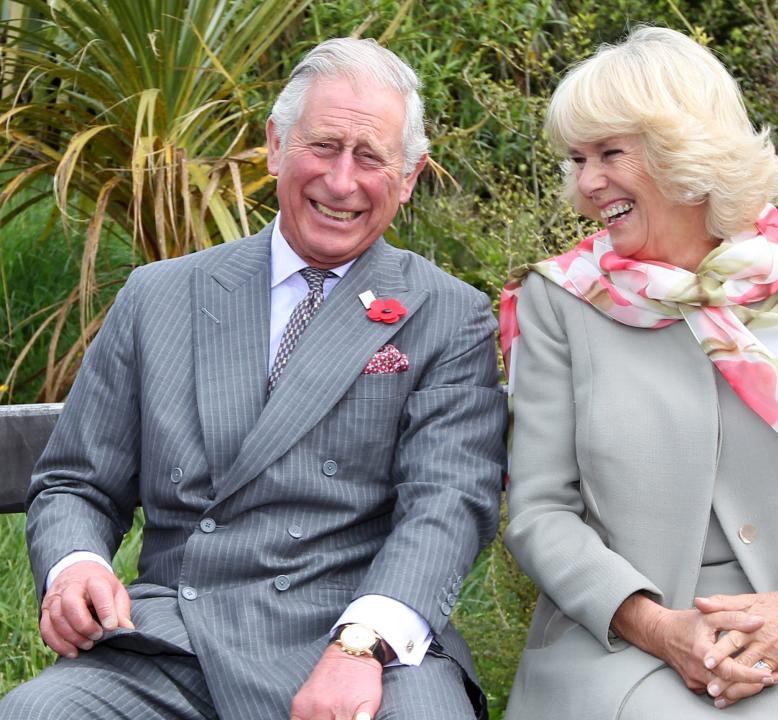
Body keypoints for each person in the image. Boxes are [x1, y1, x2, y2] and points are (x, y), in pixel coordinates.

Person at [0, 38, 506, 720]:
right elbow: (77, 482)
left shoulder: (448, 314)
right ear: (274, 145)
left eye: (371, 158)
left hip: (370, 640)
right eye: (323, 146)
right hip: (177, 643)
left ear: (409, 177)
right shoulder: (160, 296)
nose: (342, 180)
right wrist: (75, 567)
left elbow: (446, 507)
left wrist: (361, 646)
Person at [499, 26, 778, 719]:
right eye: (577, 159)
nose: (588, 183)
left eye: (610, 153)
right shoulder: (562, 301)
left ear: (683, 149)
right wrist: (657, 625)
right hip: (620, 639)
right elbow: (539, 510)